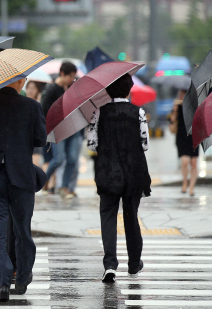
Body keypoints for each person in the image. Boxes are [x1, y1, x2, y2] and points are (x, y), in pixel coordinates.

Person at [0, 77, 46, 302]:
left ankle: (2, 284)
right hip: (21, 176)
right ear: (21, 81)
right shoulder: (32, 106)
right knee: (23, 229)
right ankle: (22, 276)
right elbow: (40, 140)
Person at [86, 73, 150, 283]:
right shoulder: (138, 112)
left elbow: (92, 144)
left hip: (107, 172)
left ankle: (110, 264)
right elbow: (145, 144)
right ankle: (134, 263)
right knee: (131, 216)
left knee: (108, 216)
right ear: (129, 89)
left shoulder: (98, 113)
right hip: (133, 173)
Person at [40, 62, 80, 198]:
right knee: (58, 159)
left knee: (72, 159)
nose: (72, 79)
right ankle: (43, 180)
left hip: (73, 128)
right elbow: (44, 110)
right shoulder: (52, 90)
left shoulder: (73, 87)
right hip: (58, 130)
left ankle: (64, 187)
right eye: (70, 76)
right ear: (62, 74)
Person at [171, 90, 198, 196]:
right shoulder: (177, 107)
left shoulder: (194, 106)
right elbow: (172, 122)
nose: (182, 96)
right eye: (181, 94)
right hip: (181, 137)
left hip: (194, 136)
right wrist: (174, 111)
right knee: (185, 161)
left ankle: (191, 187)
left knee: (194, 163)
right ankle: (185, 182)